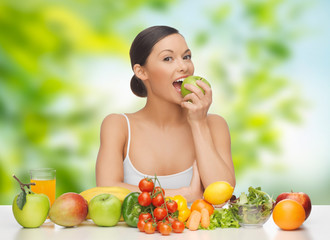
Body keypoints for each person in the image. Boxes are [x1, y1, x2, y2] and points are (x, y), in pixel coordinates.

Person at [95, 25, 235, 203]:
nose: (183, 66)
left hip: (197, 232)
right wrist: (181, 195)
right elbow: (107, 188)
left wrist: (199, 124)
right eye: (168, 58)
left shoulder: (214, 125)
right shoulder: (118, 125)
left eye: (186, 57)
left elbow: (223, 193)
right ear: (141, 71)